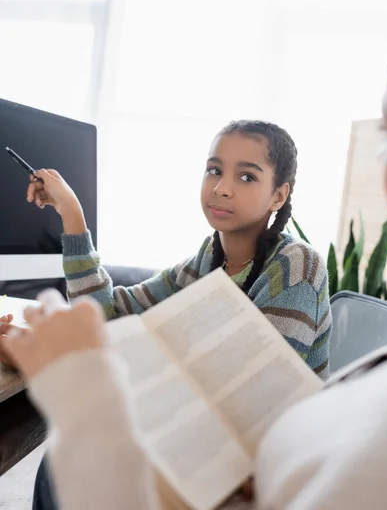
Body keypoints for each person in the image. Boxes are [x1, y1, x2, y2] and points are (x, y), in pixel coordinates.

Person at [0, 119, 332, 509]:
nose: (222, 187)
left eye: (246, 177)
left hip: (263, 474)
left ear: (279, 195)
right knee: (63, 461)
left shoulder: (296, 267)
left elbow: (254, 410)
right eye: (214, 170)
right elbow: (105, 313)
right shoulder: (206, 261)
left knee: (79, 467)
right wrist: (72, 213)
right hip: (200, 446)